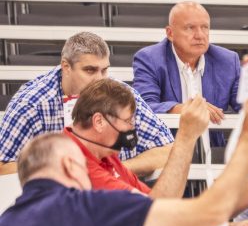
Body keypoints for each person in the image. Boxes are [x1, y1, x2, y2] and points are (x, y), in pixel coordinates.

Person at [0, 97, 248, 226]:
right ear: (70, 166)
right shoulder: (85, 206)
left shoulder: (7, 222)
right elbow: (211, 209)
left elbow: (167, 218)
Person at [0, 32, 174, 176]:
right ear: (66, 67)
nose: (99, 79)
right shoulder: (32, 104)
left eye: (104, 70)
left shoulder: (120, 95)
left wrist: (109, 171)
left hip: (110, 199)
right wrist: (62, 172)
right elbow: (3, 166)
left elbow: (168, 151)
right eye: (90, 70)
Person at [133, 1, 248, 147]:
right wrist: (187, 109)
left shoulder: (227, 60)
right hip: (166, 147)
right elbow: (144, 107)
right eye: (190, 28)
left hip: (211, 147)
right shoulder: (150, 58)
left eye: (205, 27)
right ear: (170, 33)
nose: (200, 35)